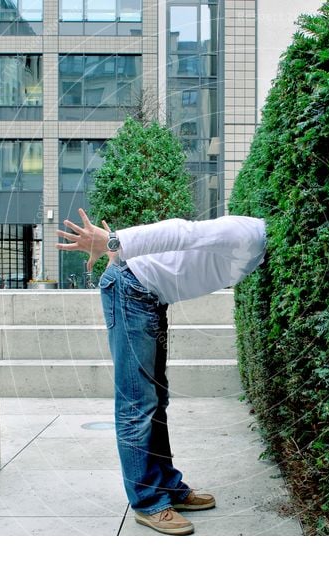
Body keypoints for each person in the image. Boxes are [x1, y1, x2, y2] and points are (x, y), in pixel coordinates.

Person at [57, 208, 267, 535]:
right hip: (130, 288)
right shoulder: (251, 236)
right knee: (136, 403)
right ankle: (147, 501)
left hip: (151, 295)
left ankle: (166, 486)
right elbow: (182, 231)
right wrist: (113, 241)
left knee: (156, 400)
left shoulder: (258, 252)